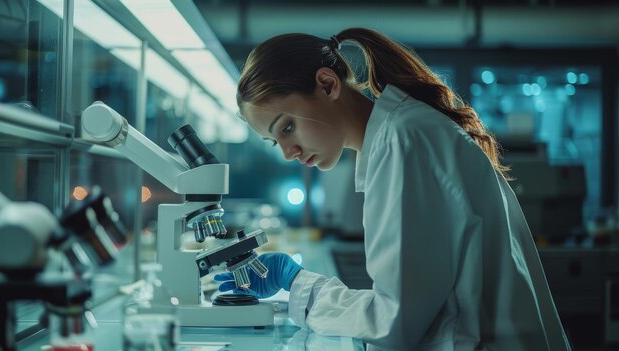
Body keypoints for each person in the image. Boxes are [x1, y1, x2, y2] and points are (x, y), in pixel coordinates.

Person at [214, 28, 571, 351]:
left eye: (287, 126)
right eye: (275, 142)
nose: (289, 153)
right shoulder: (400, 132)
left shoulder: (401, 142)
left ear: (327, 84)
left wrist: (296, 283)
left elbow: (392, 323)